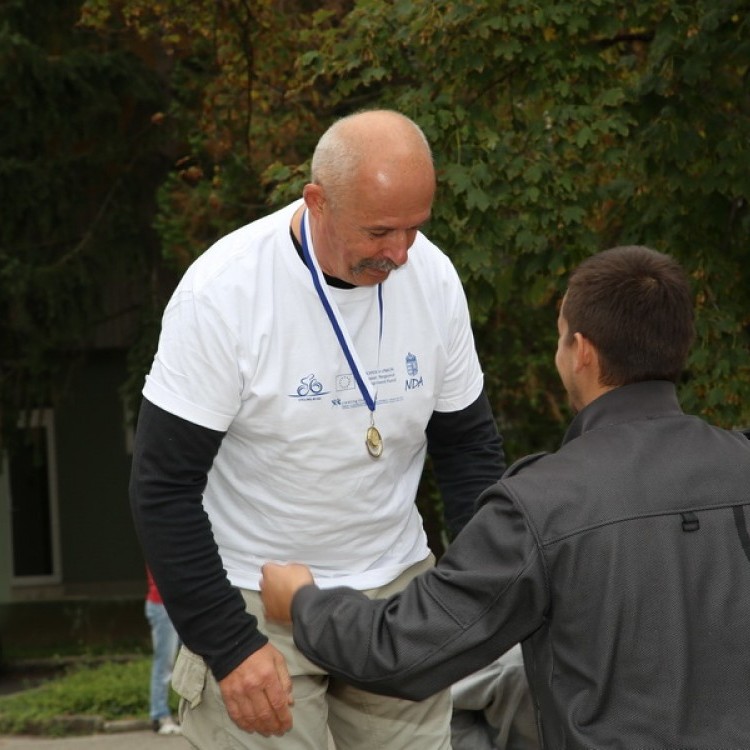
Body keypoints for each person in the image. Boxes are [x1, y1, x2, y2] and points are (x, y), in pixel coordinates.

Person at [261, 245, 750, 749]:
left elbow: (406, 651)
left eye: (560, 338)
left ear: (581, 351)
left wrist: (303, 604)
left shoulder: (542, 504)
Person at [129, 109, 506, 749]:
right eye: (380, 231)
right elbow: (162, 485)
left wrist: (468, 593)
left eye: (416, 229)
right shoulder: (225, 292)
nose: (400, 253)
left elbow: (468, 448)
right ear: (317, 201)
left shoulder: (434, 278)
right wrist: (228, 645)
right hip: (254, 599)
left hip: (396, 597)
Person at [145, 567, 181, 736]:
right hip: (163, 606)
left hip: (175, 605)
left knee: (184, 662)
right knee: (164, 663)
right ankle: (160, 715)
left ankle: (175, 714)